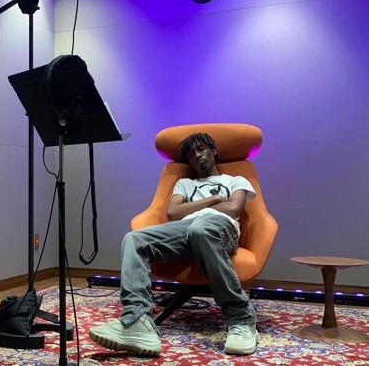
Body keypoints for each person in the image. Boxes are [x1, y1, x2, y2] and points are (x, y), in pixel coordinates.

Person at [89, 132, 258, 356]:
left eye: (201, 149)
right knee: (134, 239)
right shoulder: (184, 183)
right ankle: (138, 321)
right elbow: (173, 213)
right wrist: (214, 199)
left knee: (201, 228)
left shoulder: (235, 180)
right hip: (185, 230)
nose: (197, 156)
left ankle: (241, 318)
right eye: (191, 154)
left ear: (213, 151)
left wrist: (193, 208)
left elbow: (234, 208)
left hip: (221, 229)